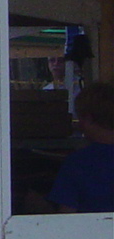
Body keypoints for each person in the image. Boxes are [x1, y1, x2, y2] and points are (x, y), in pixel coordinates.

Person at [48, 80, 113, 214]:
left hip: (92, 233)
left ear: (88, 119)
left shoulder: (77, 164)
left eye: (80, 118)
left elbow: (66, 217)